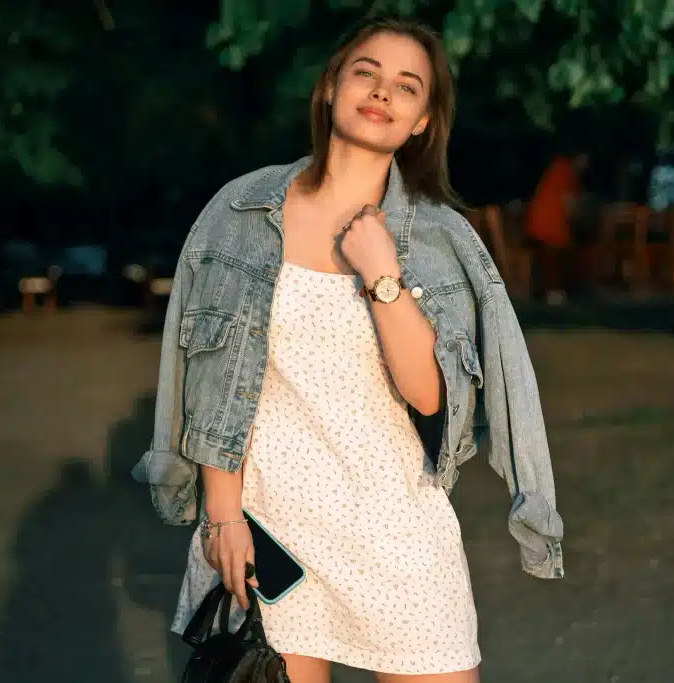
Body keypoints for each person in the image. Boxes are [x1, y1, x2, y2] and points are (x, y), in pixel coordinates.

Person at [130, 16, 564, 683]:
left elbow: (430, 395)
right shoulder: (240, 211)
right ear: (332, 86)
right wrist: (222, 515)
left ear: (422, 121)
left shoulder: (441, 237)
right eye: (366, 72)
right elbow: (210, 378)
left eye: (407, 86)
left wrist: (384, 276)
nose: (383, 92)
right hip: (274, 527)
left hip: (397, 529)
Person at [524, 151, 588, 304]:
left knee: (550, 257)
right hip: (550, 226)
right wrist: (582, 218)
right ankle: (553, 292)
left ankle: (548, 291)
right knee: (558, 255)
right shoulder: (566, 171)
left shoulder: (557, 168)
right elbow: (569, 203)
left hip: (538, 224)